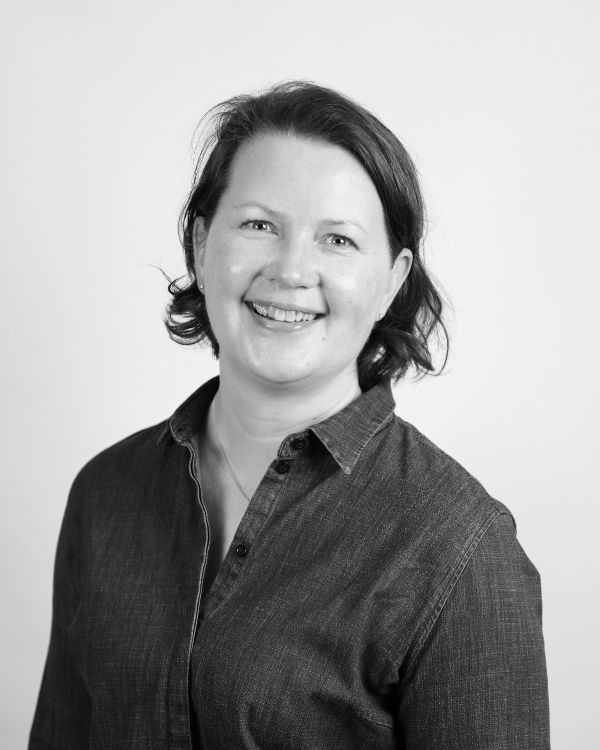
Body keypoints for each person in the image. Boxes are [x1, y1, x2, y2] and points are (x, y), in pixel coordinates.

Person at [29, 80, 551, 749]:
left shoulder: (460, 547)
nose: (291, 270)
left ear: (391, 280)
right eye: (259, 225)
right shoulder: (106, 494)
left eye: (338, 239)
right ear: (201, 244)